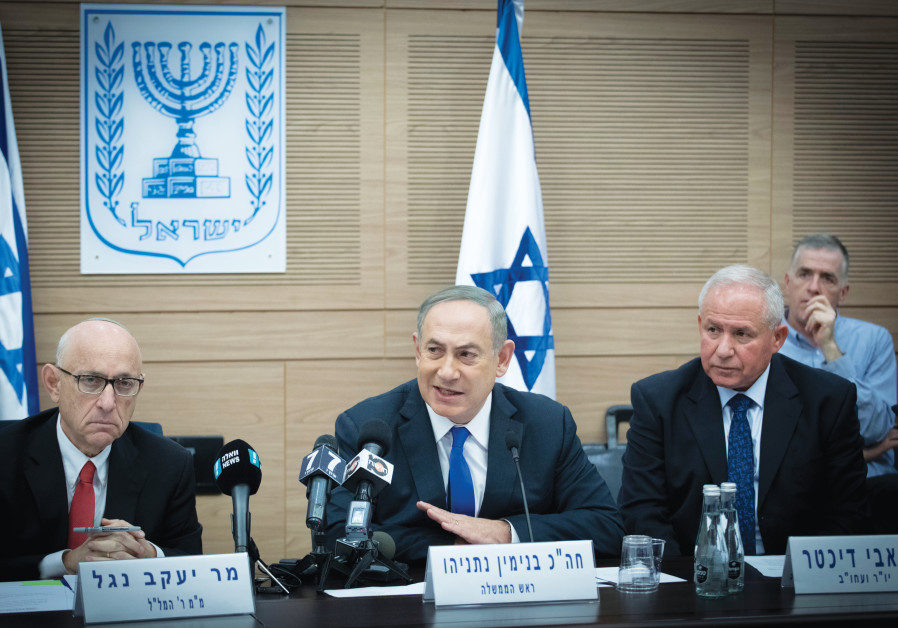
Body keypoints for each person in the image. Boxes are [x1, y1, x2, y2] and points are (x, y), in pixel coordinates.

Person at [324, 285, 624, 564]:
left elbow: (605, 526)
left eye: (466, 354)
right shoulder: (368, 426)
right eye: (434, 351)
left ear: (502, 359)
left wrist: (505, 533)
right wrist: (456, 549)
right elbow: (338, 533)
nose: (447, 371)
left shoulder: (546, 423)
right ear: (417, 351)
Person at [619, 265, 869, 556]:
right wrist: (696, 579)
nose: (723, 349)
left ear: (778, 338)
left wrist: (796, 575)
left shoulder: (828, 401)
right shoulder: (657, 400)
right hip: (693, 579)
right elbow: (642, 510)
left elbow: (848, 514)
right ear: (700, 324)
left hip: (794, 579)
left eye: (741, 334)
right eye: (713, 330)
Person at [0, 319, 203, 581]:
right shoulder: (6, 456)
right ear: (54, 383)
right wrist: (65, 562)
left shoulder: (170, 464)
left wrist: (148, 555)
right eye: (91, 380)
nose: (108, 403)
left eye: (125, 383)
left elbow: (192, 562)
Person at [779, 233, 898, 532]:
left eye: (827, 278)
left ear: (843, 292)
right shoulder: (764, 341)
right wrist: (869, 452)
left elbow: (877, 429)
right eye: (805, 274)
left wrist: (831, 349)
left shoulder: (874, 340)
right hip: (790, 490)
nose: (814, 286)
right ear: (787, 282)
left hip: (868, 488)